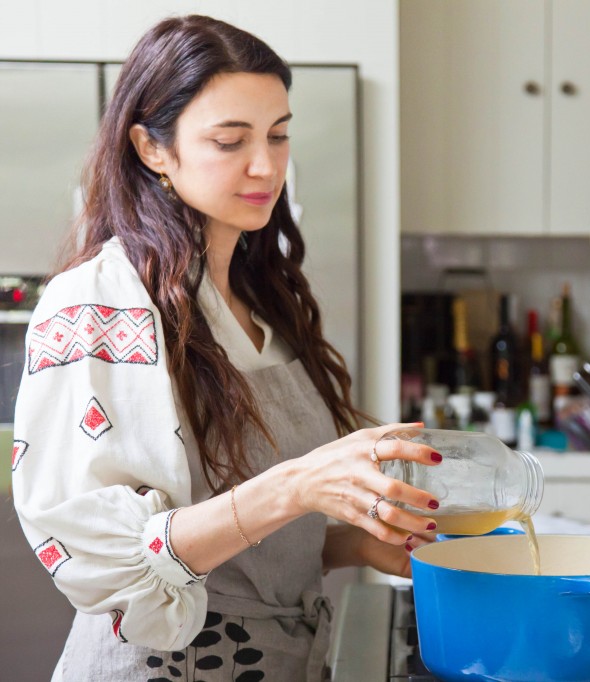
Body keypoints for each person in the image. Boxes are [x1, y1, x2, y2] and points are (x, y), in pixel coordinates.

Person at [11, 15, 439, 681]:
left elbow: (253, 551)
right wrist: (299, 484)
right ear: (152, 149)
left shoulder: (264, 300)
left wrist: (358, 543)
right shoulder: (99, 303)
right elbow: (96, 553)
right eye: (230, 140)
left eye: (278, 134)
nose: (266, 164)